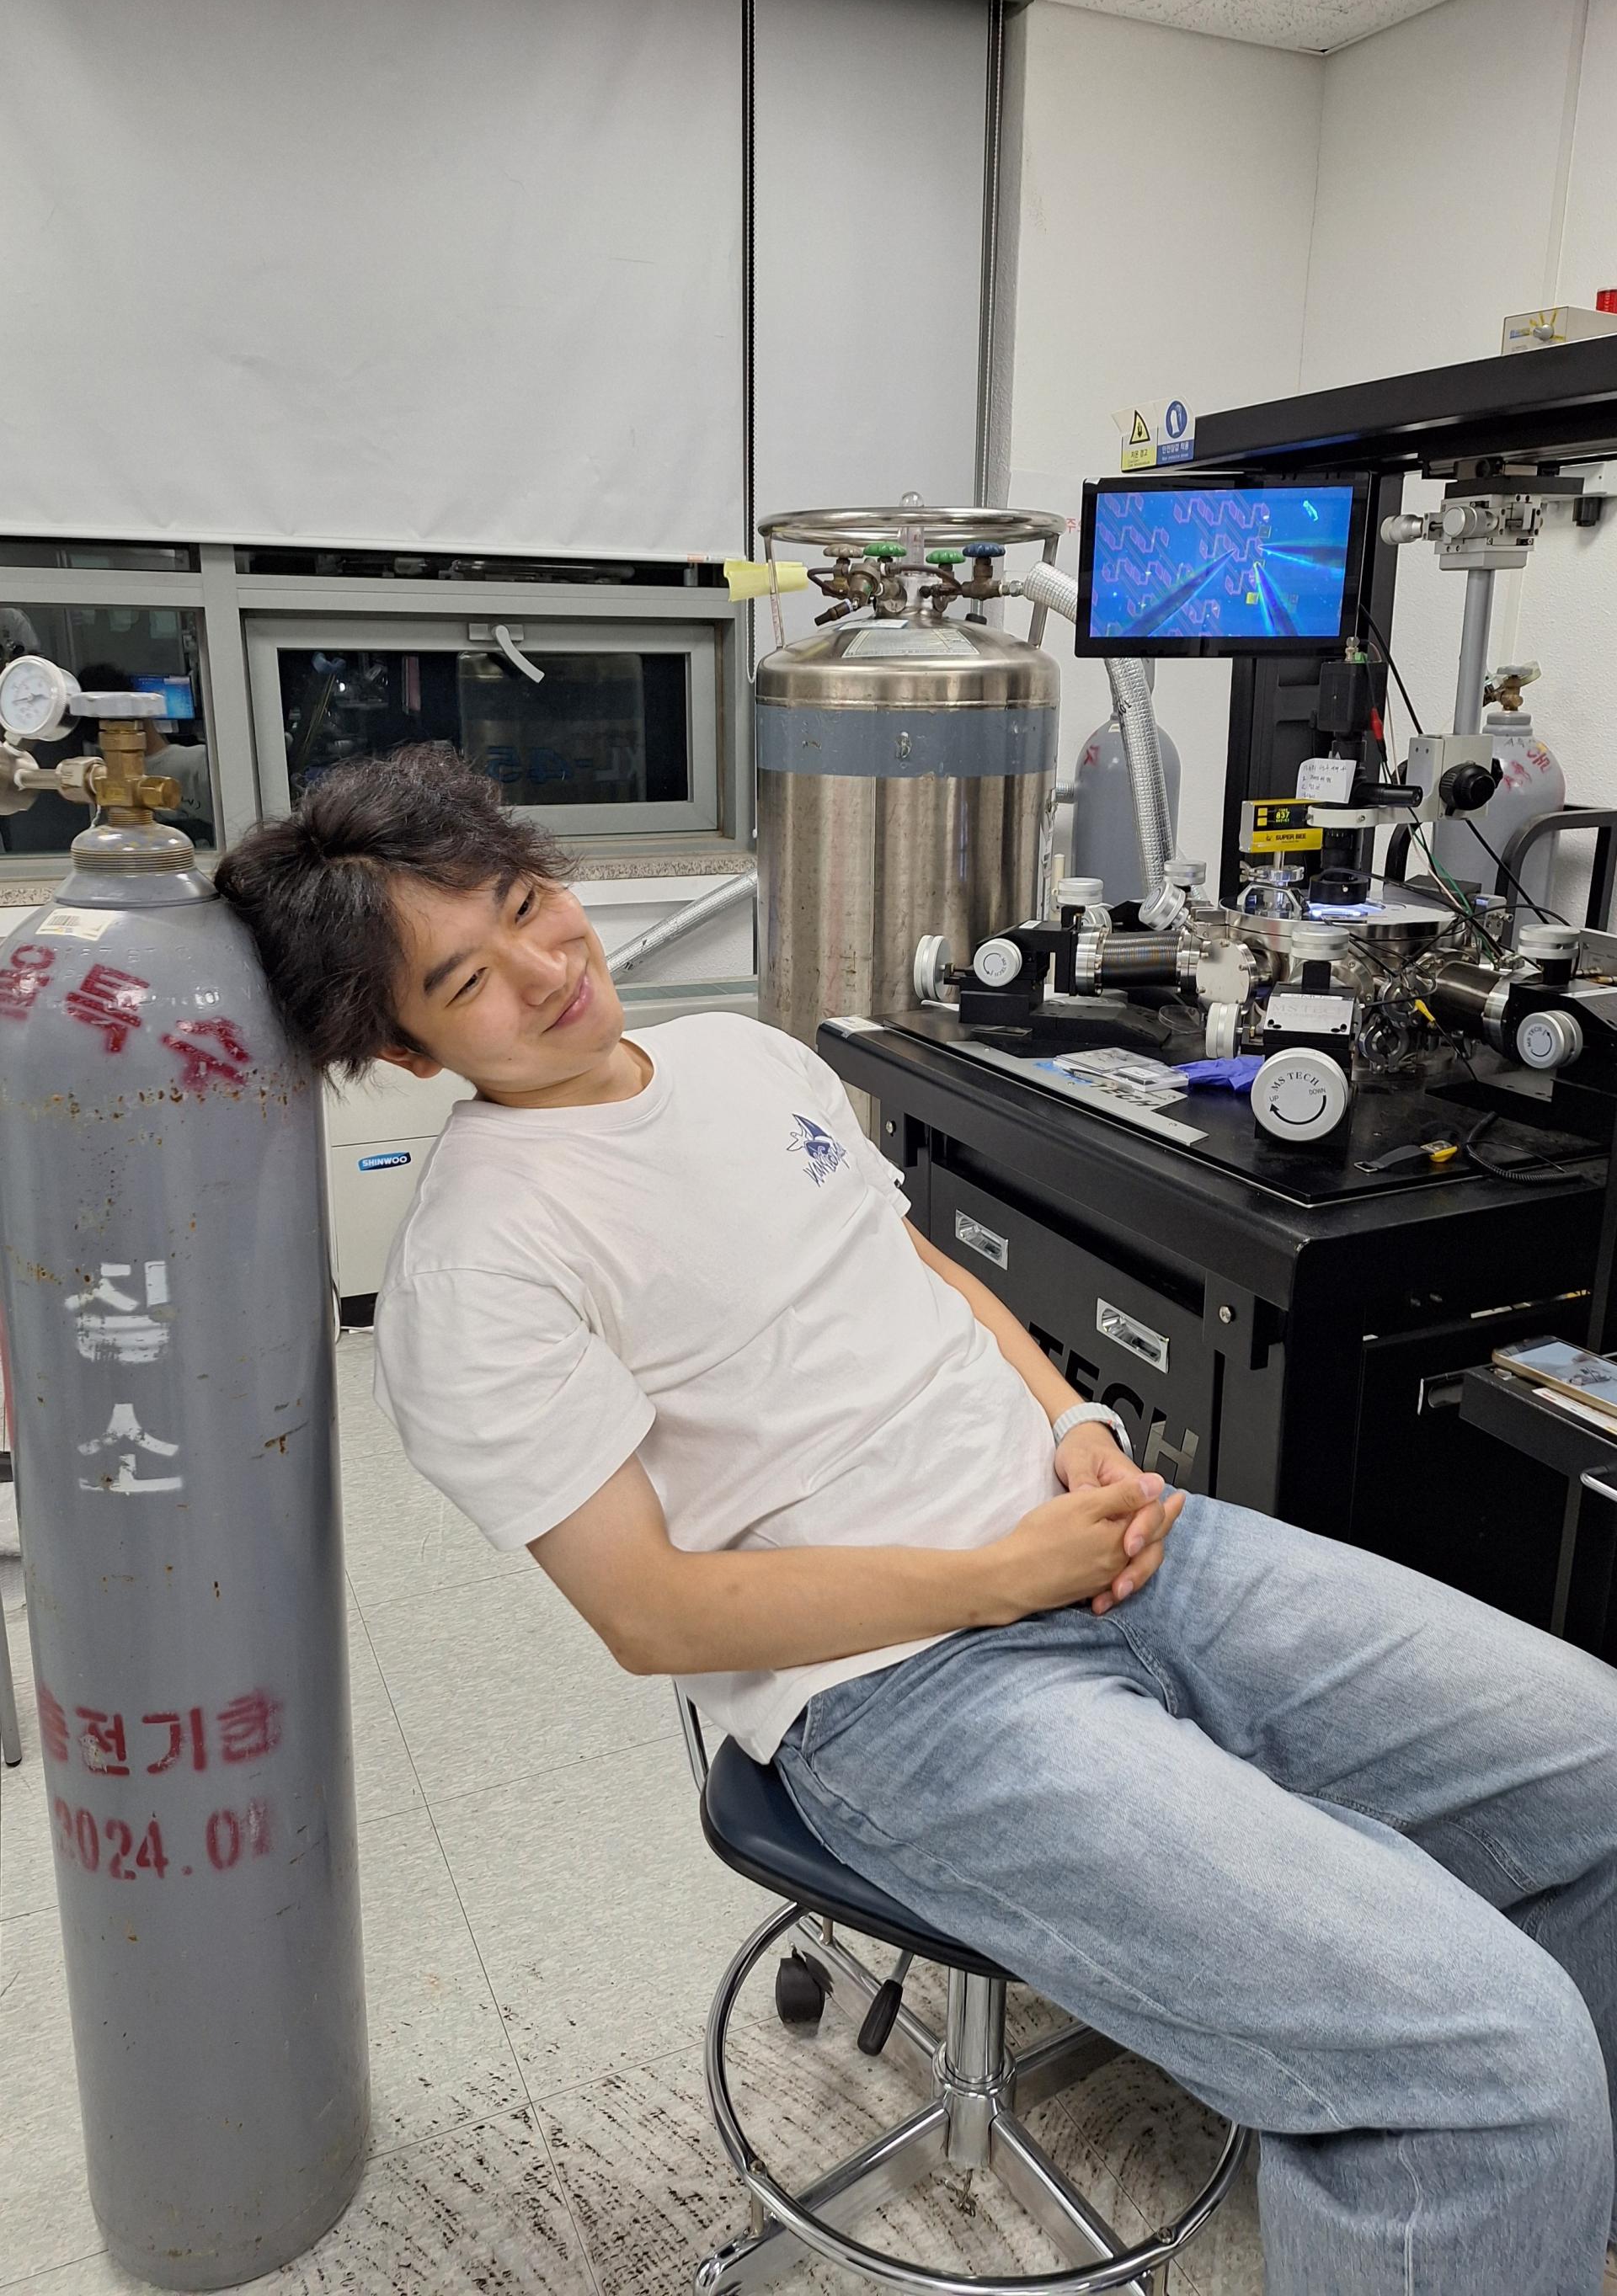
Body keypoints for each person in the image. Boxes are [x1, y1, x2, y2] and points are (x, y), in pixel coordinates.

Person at [217, 744, 1617, 2296]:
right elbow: (651, 1615)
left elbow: (919, 1272)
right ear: (405, 1046)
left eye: (527, 905)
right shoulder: (479, 1269)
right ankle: (1491, 2156)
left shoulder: (743, 1059)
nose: (546, 968)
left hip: (1121, 1550)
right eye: (469, 978)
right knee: (1484, 2058)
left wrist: (1075, 1427)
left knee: (1600, 1768)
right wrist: (996, 1578)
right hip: (905, 1698)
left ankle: (1555, 2216)